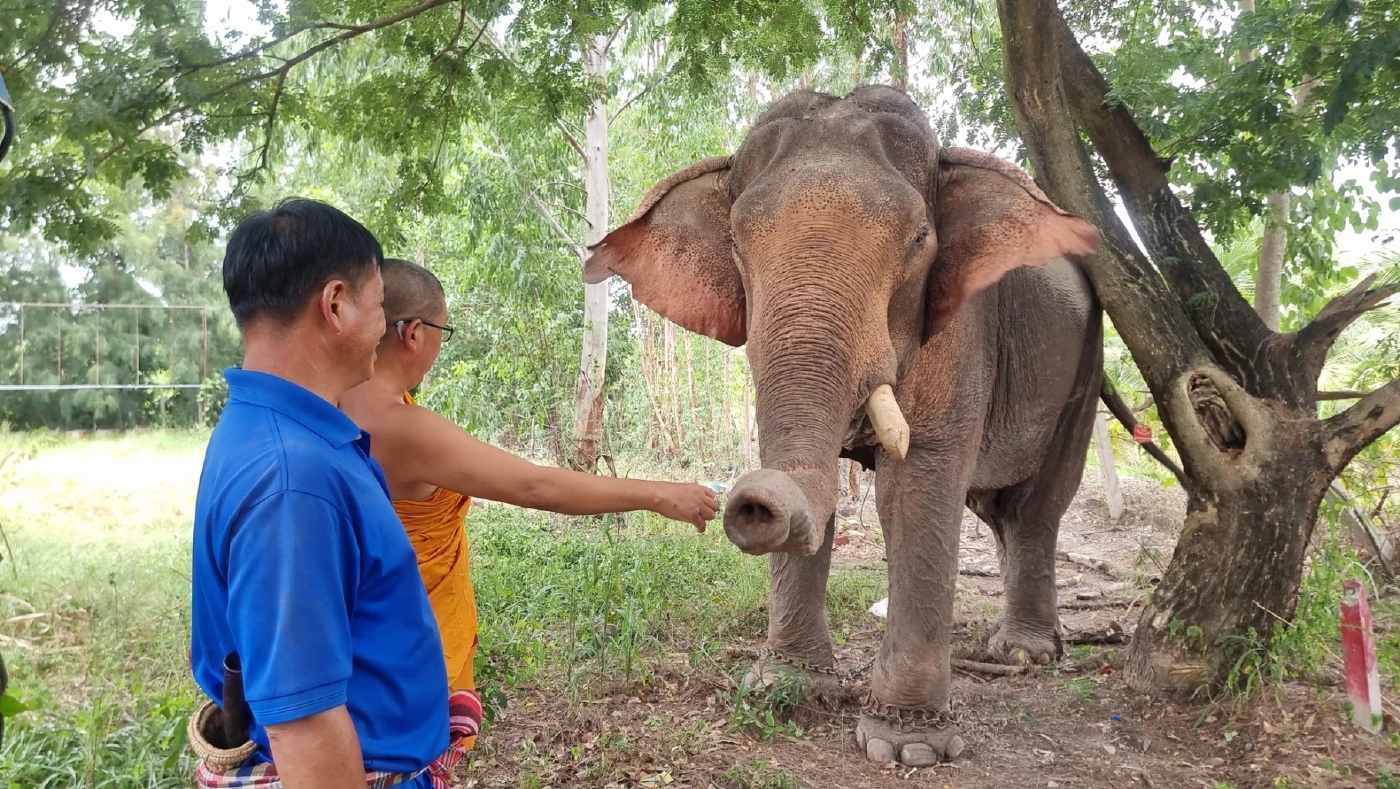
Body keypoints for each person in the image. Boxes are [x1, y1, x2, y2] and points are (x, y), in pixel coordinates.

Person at [340, 258, 720, 722]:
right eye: (445, 330)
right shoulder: (403, 428)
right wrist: (660, 494)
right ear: (415, 333)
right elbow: (534, 485)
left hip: (357, 630)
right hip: (407, 645)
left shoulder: (334, 401)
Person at [189, 201, 471, 789]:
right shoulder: (294, 477)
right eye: (378, 306)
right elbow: (305, 722)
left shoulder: (273, 428)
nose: (382, 329)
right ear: (336, 305)